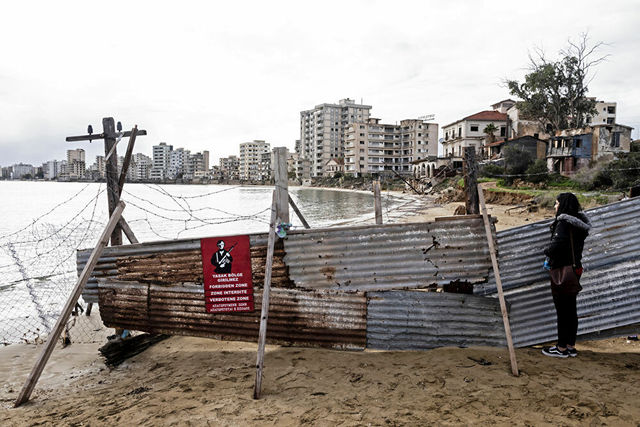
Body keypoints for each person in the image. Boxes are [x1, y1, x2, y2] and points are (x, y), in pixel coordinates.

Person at [542, 193, 591, 358]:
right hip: (575, 270)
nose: (555, 207)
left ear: (562, 205)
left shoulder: (563, 223)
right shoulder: (580, 225)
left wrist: (546, 252)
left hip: (562, 270)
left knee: (562, 310)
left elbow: (557, 245)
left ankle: (561, 348)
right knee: (571, 310)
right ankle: (570, 346)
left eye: (556, 204)